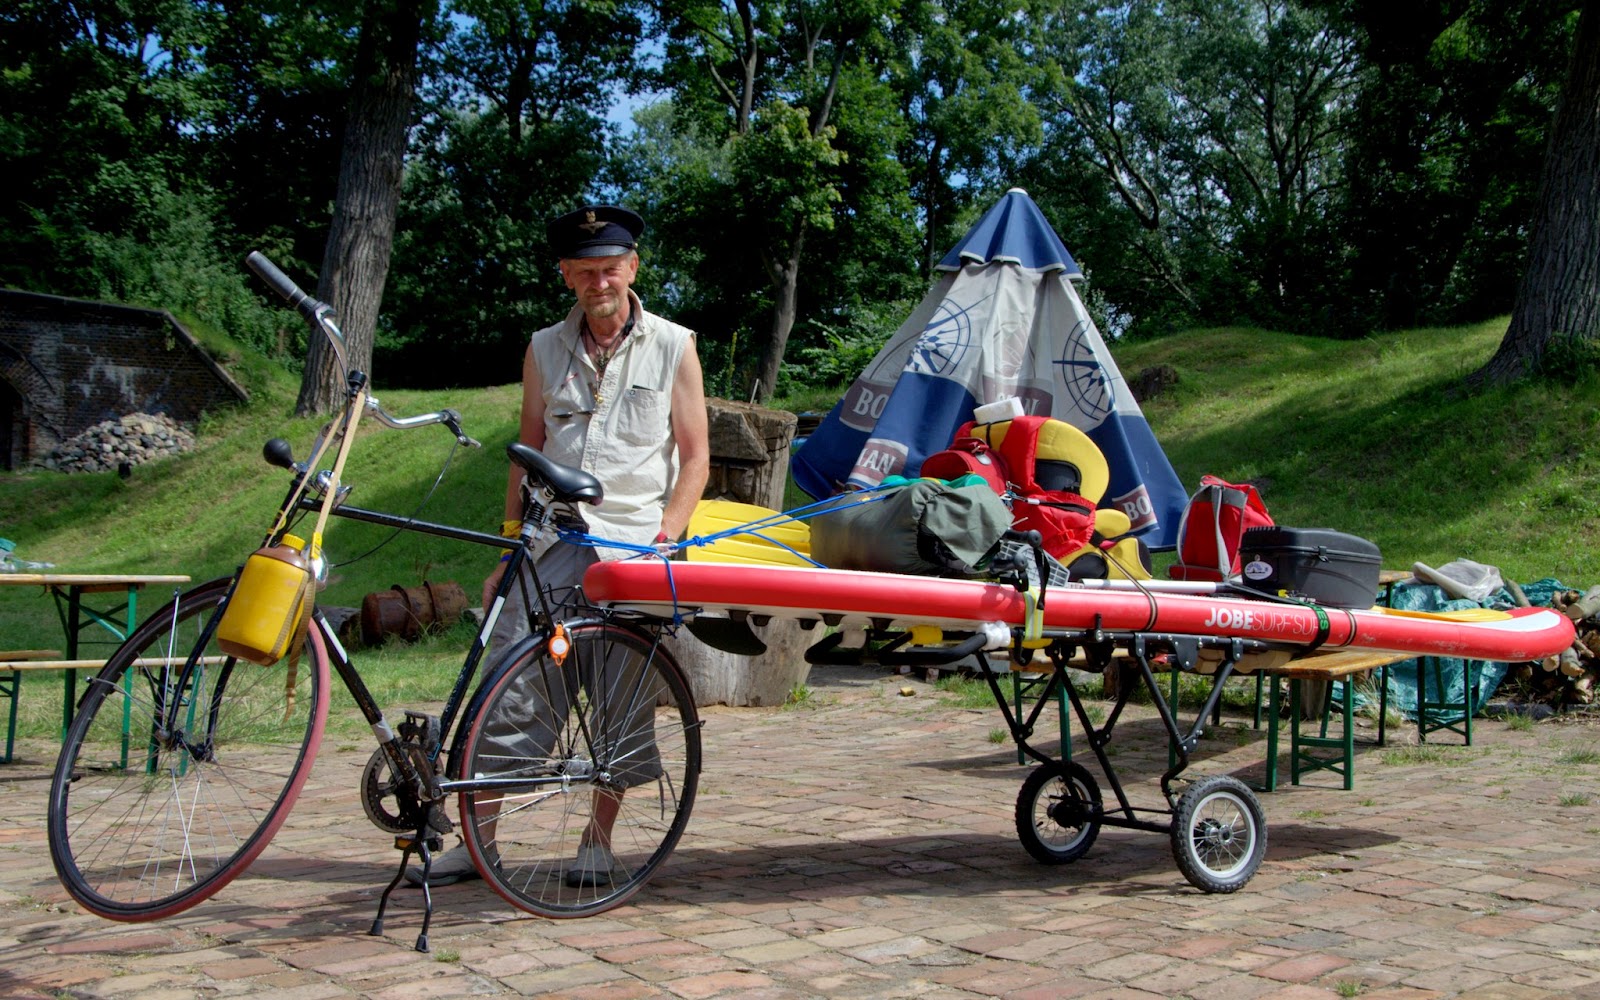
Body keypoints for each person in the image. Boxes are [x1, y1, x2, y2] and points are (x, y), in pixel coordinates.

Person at [409, 204, 710, 887]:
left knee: (621, 699)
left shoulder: (674, 345)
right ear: (566, 276)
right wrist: (507, 548)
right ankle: (479, 844)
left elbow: (696, 458)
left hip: (635, 551)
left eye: (611, 269)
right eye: (585, 272)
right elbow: (526, 452)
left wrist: (666, 537)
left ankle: (598, 841)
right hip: (550, 543)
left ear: (632, 268)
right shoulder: (543, 347)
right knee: (510, 690)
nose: (599, 283)